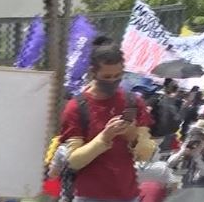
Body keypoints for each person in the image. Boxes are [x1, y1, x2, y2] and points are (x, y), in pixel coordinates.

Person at [58, 37, 156, 202]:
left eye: (117, 76)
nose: (112, 81)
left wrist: (133, 135)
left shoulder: (132, 102)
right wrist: (104, 138)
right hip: (89, 195)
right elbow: (74, 161)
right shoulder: (77, 107)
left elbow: (146, 154)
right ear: (93, 73)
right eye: (107, 76)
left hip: (127, 193)